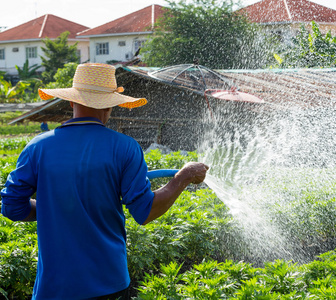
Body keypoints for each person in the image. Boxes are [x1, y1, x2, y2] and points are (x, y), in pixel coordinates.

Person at [0, 63, 209, 299]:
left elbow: (12, 207)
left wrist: (54, 208)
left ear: (71, 101)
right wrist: (182, 178)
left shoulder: (38, 147)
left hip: (54, 287)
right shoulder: (125, 148)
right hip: (109, 283)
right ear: (110, 104)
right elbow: (145, 212)